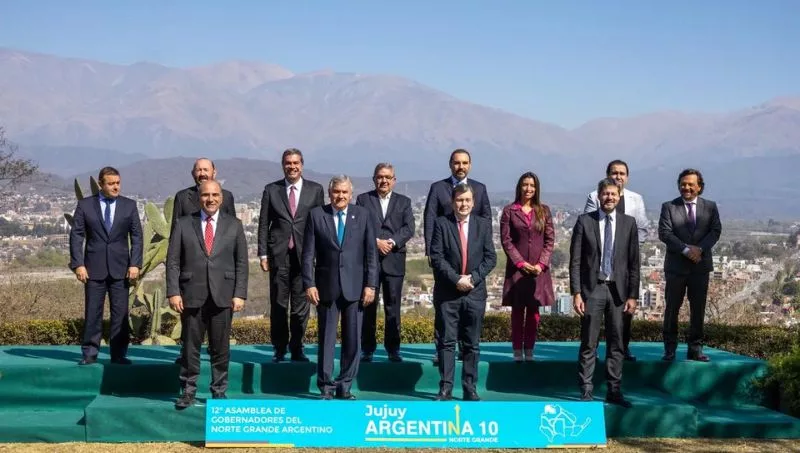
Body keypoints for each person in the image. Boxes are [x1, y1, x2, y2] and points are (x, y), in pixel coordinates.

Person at [167, 180, 248, 409]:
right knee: (190, 348)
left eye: (214, 195)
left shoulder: (234, 225)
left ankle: (219, 391)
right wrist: (173, 292)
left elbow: (242, 263)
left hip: (224, 295)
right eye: (205, 195)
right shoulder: (183, 224)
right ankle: (188, 391)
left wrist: (240, 293)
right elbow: (173, 262)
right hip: (191, 294)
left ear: (221, 198)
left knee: (221, 348)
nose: (210, 199)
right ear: (198, 197)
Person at [302, 175, 378, 400]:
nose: (341, 196)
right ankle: (326, 386)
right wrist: (309, 283)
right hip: (326, 288)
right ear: (330, 193)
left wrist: (371, 285)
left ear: (351, 194)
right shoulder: (317, 215)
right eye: (337, 192)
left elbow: (371, 254)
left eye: (345, 192)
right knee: (326, 339)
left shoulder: (363, 215)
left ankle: (345, 386)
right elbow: (307, 254)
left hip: (356, 288)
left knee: (353, 340)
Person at [570, 178, 639, 408]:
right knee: (589, 343)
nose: (609, 197)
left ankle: (614, 390)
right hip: (593, 290)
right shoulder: (584, 221)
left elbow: (634, 263)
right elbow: (575, 260)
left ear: (619, 197)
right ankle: (586, 390)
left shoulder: (629, 223)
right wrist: (576, 292)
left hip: (618, 292)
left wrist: (633, 295)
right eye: (605, 194)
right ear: (599, 196)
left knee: (616, 343)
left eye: (613, 194)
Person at [423, 149, 492, 364]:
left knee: (469, 308)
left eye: (464, 163)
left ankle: (465, 348)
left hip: (472, 260)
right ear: (450, 164)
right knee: (444, 305)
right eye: (456, 163)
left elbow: (486, 218)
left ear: (470, 165)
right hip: (445, 258)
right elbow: (429, 218)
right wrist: (430, 251)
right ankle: (441, 349)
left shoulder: (479, 188)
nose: (460, 166)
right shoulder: (438, 188)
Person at [429, 183, 496, 401]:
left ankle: (470, 387)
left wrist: (472, 279)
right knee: (447, 342)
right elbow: (437, 257)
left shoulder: (483, 225)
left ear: (473, 203)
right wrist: (456, 279)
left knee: (471, 344)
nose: (463, 204)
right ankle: (445, 388)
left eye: (467, 200)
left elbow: (491, 258)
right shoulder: (442, 224)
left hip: (475, 293)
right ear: (452, 202)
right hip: (448, 292)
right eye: (459, 200)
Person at [69, 167, 143, 366]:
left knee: (120, 314)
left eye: (118, 183)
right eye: (111, 184)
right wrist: (78, 264)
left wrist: (135, 263)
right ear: (101, 184)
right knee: (93, 312)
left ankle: (119, 354)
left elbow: (137, 236)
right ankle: (89, 354)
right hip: (93, 269)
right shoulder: (85, 205)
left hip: (122, 269)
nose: (116, 187)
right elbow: (76, 235)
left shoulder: (129, 205)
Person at [258, 148, 325, 363]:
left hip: (305, 256)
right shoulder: (271, 190)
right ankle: (279, 348)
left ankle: (297, 347)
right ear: (283, 165)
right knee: (278, 304)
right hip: (278, 255)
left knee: (301, 307)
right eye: (288, 163)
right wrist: (263, 254)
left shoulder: (315, 190)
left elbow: (320, 224)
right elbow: (263, 223)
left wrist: (320, 254)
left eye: (296, 163)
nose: (292, 167)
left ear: (302, 165)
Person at [170, 157, 236, 364]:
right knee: (190, 326)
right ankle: (187, 355)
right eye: (198, 170)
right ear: (193, 174)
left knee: (219, 331)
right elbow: (175, 235)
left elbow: (231, 233)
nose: (202, 173)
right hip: (191, 273)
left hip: (220, 275)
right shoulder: (182, 197)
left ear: (214, 172)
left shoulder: (227, 196)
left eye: (206, 169)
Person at [583, 159, 647, 361]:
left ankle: (623, 348)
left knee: (625, 312)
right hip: (600, 267)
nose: (618, 176)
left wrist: (628, 248)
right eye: (614, 172)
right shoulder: (594, 196)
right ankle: (593, 351)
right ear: (607, 175)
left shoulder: (636, 199)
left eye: (622, 173)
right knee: (593, 316)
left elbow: (642, 228)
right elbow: (589, 228)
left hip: (624, 266)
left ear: (627, 177)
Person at [659, 169, 722, 362]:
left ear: (699, 187)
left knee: (698, 310)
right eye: (683, 184)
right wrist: (686, 250)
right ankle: (669, 349)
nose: (686, 187)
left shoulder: (710, 207)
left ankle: (695, 349)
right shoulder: (669, 207)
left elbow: (715, 231)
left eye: (690, 184)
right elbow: (665, 233)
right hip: (676, 267)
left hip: (700, 267)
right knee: (672, 309)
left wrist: (700, 249)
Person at [356, 163, 415, 363]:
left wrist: (391, 242)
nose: (384, 181)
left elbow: (409, 228)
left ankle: (393, 349)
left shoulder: (404, 202)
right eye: (380, 177)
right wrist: (376, 242)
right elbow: (359, 226)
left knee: (393, 307)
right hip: (369, 260)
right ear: (374, 179)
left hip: (394, 259)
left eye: (388, 177)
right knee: (368, 305)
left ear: (394, 180)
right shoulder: (363, 200)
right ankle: (367, 349)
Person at [500, 172, 555, 361]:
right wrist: (520, 263)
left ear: (537, 188)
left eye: (532, 185)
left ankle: (530, 349)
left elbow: (549, 240)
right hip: (517, 269)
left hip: (538, 270)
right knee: (517, 311)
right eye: (525, 184)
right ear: (519, 186)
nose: (528, 188)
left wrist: (541, 264)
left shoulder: (544, 211)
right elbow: (506, 240)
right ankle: (517, 350)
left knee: (533, 312)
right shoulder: (509, 211)